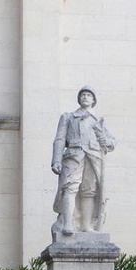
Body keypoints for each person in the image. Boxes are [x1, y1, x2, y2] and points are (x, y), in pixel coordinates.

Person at [51, 86, 116, 236]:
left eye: (88, 95)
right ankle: (67, 224)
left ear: (93, 100)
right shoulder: (68, 117)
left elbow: (112, 141)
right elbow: (59, 139)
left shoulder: (98, 121)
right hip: (74, 156)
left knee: (89, 190)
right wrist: (56, 160)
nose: (85, 97)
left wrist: (105, 140)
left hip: (93, 158)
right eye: (83, 95)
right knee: (70, 187)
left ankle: (86, 226)